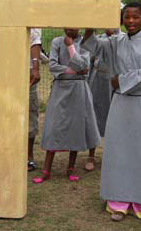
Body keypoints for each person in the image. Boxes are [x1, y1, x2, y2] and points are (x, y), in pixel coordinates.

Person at [82, 2, 141, 224]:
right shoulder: (115, 42)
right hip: (120, 105)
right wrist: (90, 25)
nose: (131, 21)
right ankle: (119, 203)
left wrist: (120, 80)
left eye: (136, 17)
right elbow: (94, 46)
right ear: (121, 19)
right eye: (127, 17)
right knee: (121, 153)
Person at [33, 29, 101, 184]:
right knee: (53, 127)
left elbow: (84, 65)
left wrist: (71, 47)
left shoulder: (84, 43)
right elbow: (53, 66)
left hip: (79, 89)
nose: (70, 28)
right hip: (60, 88)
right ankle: (46, 170)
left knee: (75, 127)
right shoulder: (57, 42)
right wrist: (74, 71)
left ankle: (71, 168)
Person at [0, 29, 41, 171]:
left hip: (26, 72)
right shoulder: (0, 12)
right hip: (4, 70)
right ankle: (5, 155)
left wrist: (35, 67)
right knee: (4, 114)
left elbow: (35, 40)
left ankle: (28, 155)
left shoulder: (30, 10)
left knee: (30, 113)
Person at [88, 29, 122, 137]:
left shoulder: (123, 39)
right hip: (98, 76)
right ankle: (93, 144)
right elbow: (91, 56)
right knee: (95, 107)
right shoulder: (99, 38)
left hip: (116, 79)